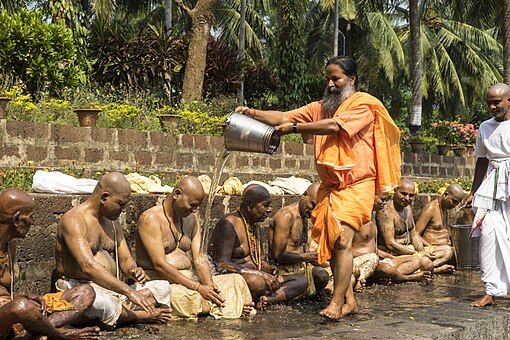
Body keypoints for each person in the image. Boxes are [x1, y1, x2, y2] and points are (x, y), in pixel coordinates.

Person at [235, 55, 401, 319]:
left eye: (336, 78)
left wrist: (296, 128)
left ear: (352, 79)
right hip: (331, 186)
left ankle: (336, 303)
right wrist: (252, 113)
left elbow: (335, 127)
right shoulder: (322, 107)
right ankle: (349, 301)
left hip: (358, 184)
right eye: (328, 79)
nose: (331, 84)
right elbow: (284, 116)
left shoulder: (364, 106)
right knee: (336, 242)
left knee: (344, 239)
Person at [55, 172, 172, 329]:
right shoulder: (74, 220)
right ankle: (137, 316)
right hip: (80, 289)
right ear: (104, 197)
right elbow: (88, 267)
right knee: (100, 302)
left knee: (163, 287)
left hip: (111, 288)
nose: (123, 210)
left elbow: (125, 260)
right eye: (121, 204)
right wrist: (130, 293)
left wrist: (133, 270)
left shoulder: (112, 222)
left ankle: (119, 314)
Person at [136, 176, 254, 319]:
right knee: (186, 297)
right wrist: (198, 288)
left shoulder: (192, 218)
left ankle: (219, 304)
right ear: (177, 194)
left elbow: (199, 258)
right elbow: (159, 264)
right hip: (162, 284)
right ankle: (228, 305)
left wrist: (210, 286)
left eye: (197, 206)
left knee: (236, 280)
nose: (193, 210)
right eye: (191, 205)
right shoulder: (150, 218)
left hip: (190, 282)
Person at [0, 188, 99, 340]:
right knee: (21, 307)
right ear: (16, 219)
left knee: (85, 293)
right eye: (30, 217)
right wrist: (17, 304)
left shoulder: (10, 244)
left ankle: (35, 333)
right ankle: (58, 335)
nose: (32, 222)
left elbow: (6, 293)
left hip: (13, 311)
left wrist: (25, 296)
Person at [209, 185, 308, 308]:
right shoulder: (229, 224)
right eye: (265, 205)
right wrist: (260, 275)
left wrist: (268, 269)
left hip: (257, 276)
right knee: (257, 283)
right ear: (250, 206)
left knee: (301, 281)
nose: (270, 210)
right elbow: (221, 264)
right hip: (235, 279)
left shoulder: (254, 223)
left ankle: (267, 300)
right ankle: (263, 298)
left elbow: (258, 259)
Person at [465, 83, 510, 307]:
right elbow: (482, 159)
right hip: (492, 185)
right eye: (489, 102)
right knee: (489, 234)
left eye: (497, 102)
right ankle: (491, 291)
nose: (492, 106)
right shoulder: (485, 127)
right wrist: (474, 191)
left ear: (509, 101)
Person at [268, 183, 329, 299]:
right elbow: (277, 255)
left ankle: (312, 292)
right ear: (304, 195)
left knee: (323, 275)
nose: (314, 211)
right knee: (302, 282)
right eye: (313, 205)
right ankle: (270, 298)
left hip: (302, 268)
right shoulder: (286, 216)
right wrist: (306, 257)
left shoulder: (307, 216)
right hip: (284, 271)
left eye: (318, 208)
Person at [377, 179, 434, 259]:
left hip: (409, 249)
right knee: (425, 262)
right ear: (395, 191)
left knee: (447, 251)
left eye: (411, 195)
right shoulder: (386, 211)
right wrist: (416, 253)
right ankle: (432, 267)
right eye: (403, 194)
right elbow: (390, 244)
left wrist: (422, 251)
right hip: (394, 253)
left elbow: (414, 234)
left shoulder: (407, 208)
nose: (407, 198)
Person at [415, 184, 465, 273]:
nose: (454, 205)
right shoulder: (431, 208)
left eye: (457, 203)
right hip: (430, 250)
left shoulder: (445, 208)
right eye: (453, 201)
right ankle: (429, 269)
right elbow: (415, 234)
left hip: (441, 250)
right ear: (445, 195)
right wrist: (429, 247)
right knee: (448, 251)